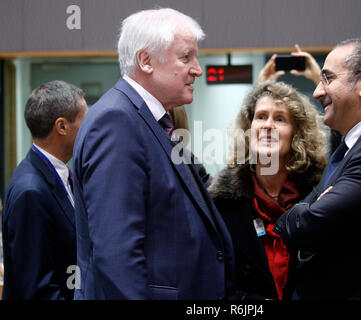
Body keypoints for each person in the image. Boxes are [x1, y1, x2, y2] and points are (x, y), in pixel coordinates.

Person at [72, 8, 234, 300]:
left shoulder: (153, 121)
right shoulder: (117, 122)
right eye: (186, 57)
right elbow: (117, 252)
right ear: (146, 61)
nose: (197, 69)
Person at [273, 39, 361, 299]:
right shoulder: (353, 143)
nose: (317, 93)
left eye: (328, 79)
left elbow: (308, 223)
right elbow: (309, 214)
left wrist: (300, 218)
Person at [208, 80, 329, 300]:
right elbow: (214, 284)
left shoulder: (320, 195)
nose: (267, 125)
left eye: (280, 119)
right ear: (249, 128)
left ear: (297, 134)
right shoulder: (221, 200)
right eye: (261, 117)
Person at [1, 80, 88, 300]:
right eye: (85, 123)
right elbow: (37, 289)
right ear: (62, 127)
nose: (90, 131)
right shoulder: (31, 191)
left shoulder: (58, 175)